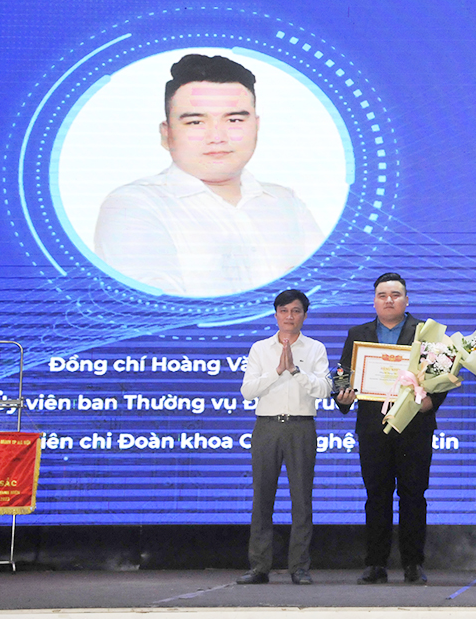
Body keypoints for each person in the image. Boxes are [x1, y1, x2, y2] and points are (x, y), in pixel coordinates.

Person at [94, 53, 323, 297]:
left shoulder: (286, 202)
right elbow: (160, 309)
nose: (217, 137)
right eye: (195, 122)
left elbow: (329, 289)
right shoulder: (132, 206)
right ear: (166, 134)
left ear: (256, 127)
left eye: (234, 119)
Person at [335, 272, 446, 584]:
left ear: (406, 300)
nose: (389, 300)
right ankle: (375, 564)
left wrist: (431, 402)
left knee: (414, 495)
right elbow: (344, 373)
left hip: (414, 426)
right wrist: (342, 396)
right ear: (374, 301)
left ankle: (413, 563)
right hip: (373, 428)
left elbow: (441, 374)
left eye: (395, 295)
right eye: (382, 295)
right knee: (376, 496)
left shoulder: (425, 333)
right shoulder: (358, 334)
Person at [237, 289, 331, 585]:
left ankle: (299, 567)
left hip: (301, 427)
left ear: (304, 315)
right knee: (262, 497)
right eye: (284, 311)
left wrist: (295, 370)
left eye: (296, 311)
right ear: (276, 314)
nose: (290, 316)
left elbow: (324, 390)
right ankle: (259, 566)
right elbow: (247, 391)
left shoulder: (315, 348)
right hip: (267, 426)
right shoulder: (260, 349)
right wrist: (278, 371)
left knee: (301, 498)